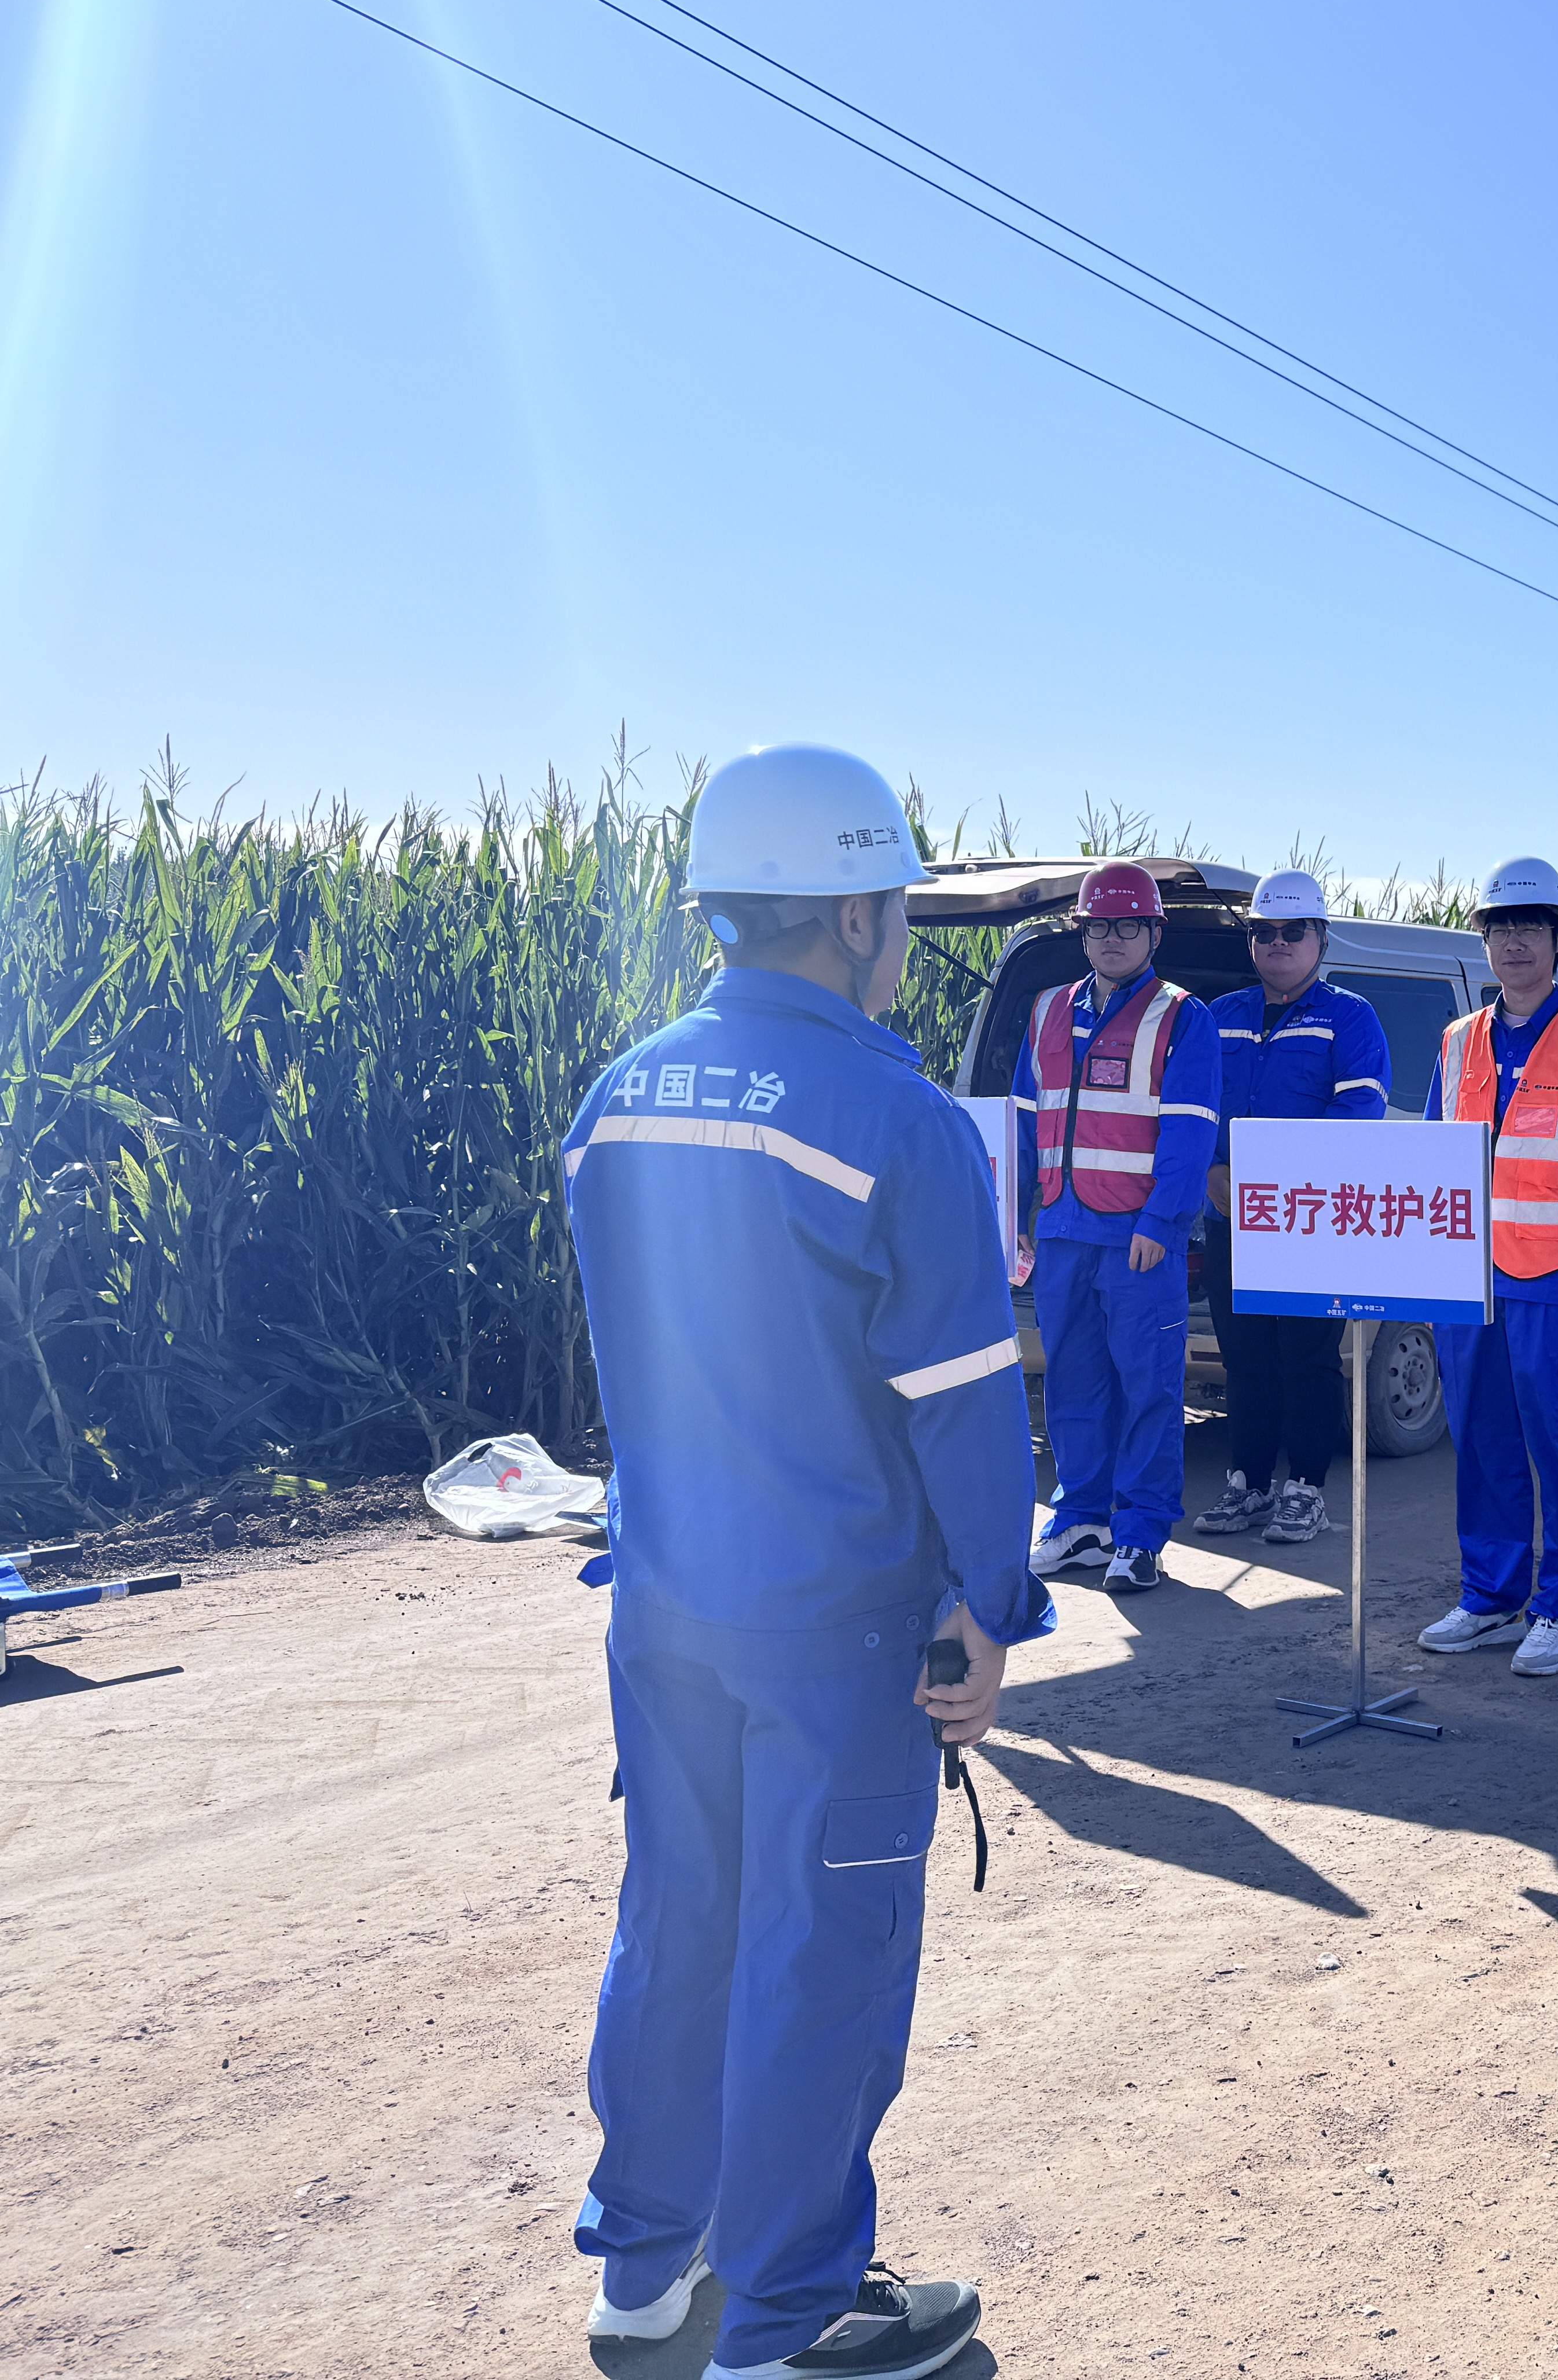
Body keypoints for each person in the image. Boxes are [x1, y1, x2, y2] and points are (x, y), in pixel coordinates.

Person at [563, 743, 1045, 2380]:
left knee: (678, 1919)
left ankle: (645, 2267)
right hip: (836, 1626)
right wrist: (991, 1606)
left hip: (665, 1600)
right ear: (852, 915)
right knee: (820, 1954)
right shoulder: (899, 1122)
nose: (899, 932)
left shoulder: (621, 1098)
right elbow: (964, 1408)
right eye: (896, 905)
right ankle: (785, 2318)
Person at [1414, 857, 1558, 1677]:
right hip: (1469, 1285)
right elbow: (1435, 1167)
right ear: (1484, 942)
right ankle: (1491, 1596)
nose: (1514, 943)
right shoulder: (1457, 1043)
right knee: (1482, 1444)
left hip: (1554, 1284)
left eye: (1531, 929)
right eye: (1501, 929)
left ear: (1557, 942)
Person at [1012, 862, 1222, 1592]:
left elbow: (1191, 1132)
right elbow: (1024, 1120)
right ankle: (1080, 1522)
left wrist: (1163, 1221)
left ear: (1154, 933)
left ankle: (1140, 1534)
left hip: (1138, 1238)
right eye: (1099, 924)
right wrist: (1017, 1215)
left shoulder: (1182, 1017)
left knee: (1149, 1387)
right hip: (1061, 1230)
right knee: (1072, 1383)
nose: (1112, 937)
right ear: (1082, 933)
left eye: (1129, 924)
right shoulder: (1047, 1010)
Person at [1193, 869, 1391, 1547]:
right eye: (1264, 931)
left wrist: (1271, 1174)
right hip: (1230, 1220)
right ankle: (1249, 1482)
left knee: (1308, 1357)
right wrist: (1212, 1168)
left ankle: (1306, 1487)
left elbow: (1359, 1108)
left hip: (1308, 1222)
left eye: (1293, 930)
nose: (1278, 942)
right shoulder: (1220, 1016)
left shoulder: (1350, 1017)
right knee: (1245, 1355)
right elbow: (1191, 1106)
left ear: (1321, 938)